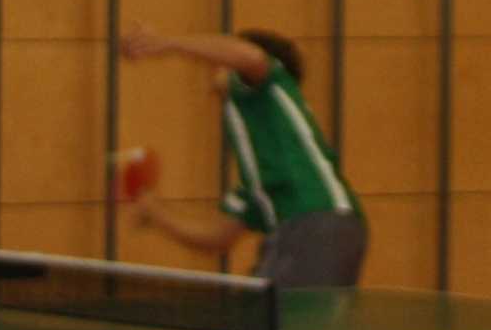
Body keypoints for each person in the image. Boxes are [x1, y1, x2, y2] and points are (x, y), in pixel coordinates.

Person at [115, 24, 366, 285]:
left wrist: (166, 43)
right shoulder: (260, 179)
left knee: (269, 309)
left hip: (313, 224)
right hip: (326, 230)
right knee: (262, 308)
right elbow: (219, 237)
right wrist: (155, 212)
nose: (213, 65)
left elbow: (251, 57)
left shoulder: (268, 89)